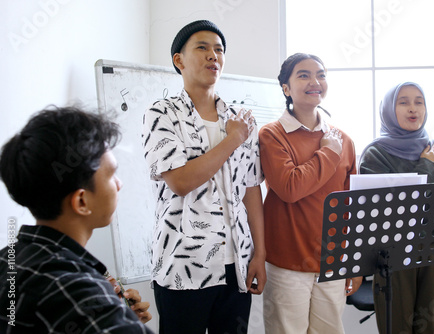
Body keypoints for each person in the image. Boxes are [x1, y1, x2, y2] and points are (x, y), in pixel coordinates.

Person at [142, 19, 266, 334]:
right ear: (178, 60)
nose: (213, 55)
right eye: (202, 47)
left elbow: (251, 190)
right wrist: (232, 140)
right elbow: (180, 181)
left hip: (236, 264)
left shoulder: (240, 119)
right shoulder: (161, 114)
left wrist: (260, 254)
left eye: (219, 50)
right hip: (182, 267)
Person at [0, 106, 153, 333]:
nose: (119, 184)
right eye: (111, 174)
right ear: (81, 202)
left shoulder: (9, 260)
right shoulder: (82, 297)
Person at [258, 53, 361, 334]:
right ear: (286, 88)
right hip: (287, 262)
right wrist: (327, 152)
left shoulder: (345, 140)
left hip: (333, 261)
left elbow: (353, 207)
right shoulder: (272, 135)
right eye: (303, 75)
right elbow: (290, 188)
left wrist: (355, 262)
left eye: (321, 75)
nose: (315, 81)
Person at [358, 82, 434, 334]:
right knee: (396, 328)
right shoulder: (376, 155)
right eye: (403, 102)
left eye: (419, 101)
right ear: (389, 109)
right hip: (392, 257)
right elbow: (394, 211)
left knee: (429, 329)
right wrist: (427, 168)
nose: (413, 108)